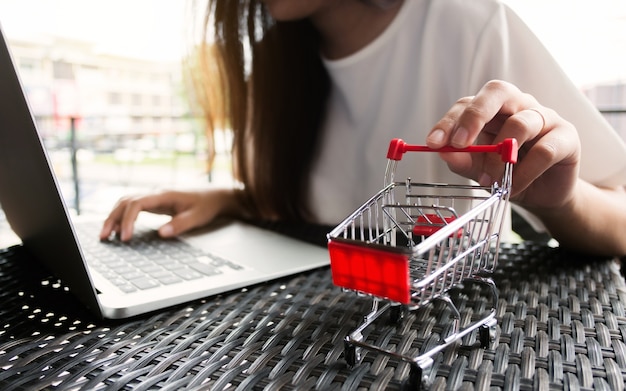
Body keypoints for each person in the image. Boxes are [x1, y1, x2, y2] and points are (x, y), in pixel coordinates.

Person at [100, 0, 626, 256]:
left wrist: (560, 201)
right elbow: (310, 206)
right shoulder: (274, 62)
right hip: (296, 333)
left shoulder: (469, 22)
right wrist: (230, 199)